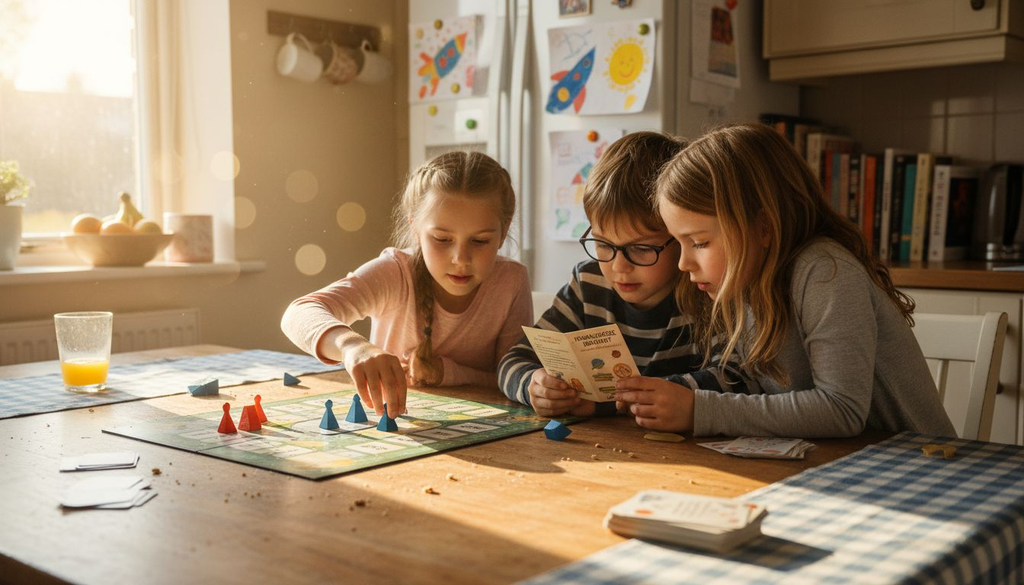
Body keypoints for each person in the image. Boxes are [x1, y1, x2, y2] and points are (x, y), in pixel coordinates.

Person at [615, 123, 955, 438]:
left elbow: (842, 410)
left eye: (700, 243)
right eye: (680, 242)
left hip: (919, 461)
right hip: (835, 462)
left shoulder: (825, 271)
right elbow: (761, 388)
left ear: (763, 227)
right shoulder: (745, 281)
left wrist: (700, 410)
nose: (684, 263)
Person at [281, 151, 532, 419]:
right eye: (442, 239)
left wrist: (446, 373)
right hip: (398, 426)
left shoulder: (511, 281)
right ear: (415, 229)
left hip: (488, 431)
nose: (461, 259)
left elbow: (513, 377)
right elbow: (299, 312)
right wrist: (352, 345)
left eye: (480, 241)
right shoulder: (394, 272)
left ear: (503, 233)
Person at [498, 131, 702, 418]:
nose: (619, 267)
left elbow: (735, 378)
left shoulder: (703, 289)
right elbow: (514, 359)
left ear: (680, 239)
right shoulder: (589, 283)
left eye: (641, 248)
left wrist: (609, 403)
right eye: (604, 244)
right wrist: (534, 386)